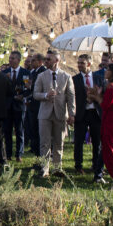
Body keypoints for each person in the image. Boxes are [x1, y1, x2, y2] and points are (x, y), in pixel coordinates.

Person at [33, 49, 75, 178]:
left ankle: (57, 168)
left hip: (60, 113)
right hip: (44, 114)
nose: (45, 61)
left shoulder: (66, 76)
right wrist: (46, 95)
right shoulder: (41, 76)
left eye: (48, 59)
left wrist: (72, 114)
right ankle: (44, 169)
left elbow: (71, 96)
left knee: (59, 143)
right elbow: (35, 94)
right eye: (45, 59)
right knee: (44, 143)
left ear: (57, 60)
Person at [72, 54, 105, 183]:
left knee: (97, 141)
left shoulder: (99, 78)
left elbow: (103, 94)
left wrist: (95, 97)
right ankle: (78, 165)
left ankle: (96, 164)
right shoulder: (74, 79)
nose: (79, 65)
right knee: (79, 140)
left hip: (95, 113)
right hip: (81, 113)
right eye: (78, 62)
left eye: (82, 63)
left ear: (89, 64)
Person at [2, 50, 30, 162]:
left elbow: (29, 88)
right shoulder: (5, 72)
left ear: (18, 60)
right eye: (10, 58)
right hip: (7, 105)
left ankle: (19, 154)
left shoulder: (25, 73)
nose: (10, 60)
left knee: (19, 130)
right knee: (7, 131)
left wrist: (23, 96)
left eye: (13, 58)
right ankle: (8, 154)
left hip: (19, 105)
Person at [26, 53, 46, 156]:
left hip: (39, 105)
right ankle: (35, 150)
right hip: (32, 104)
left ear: (40, 62)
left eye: (33, 60)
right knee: (33, 129)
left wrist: (30, 86)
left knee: (39, 130)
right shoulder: (32, 72)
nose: (31, 62)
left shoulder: (43, 72)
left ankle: (40, 153)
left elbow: (41, 87)